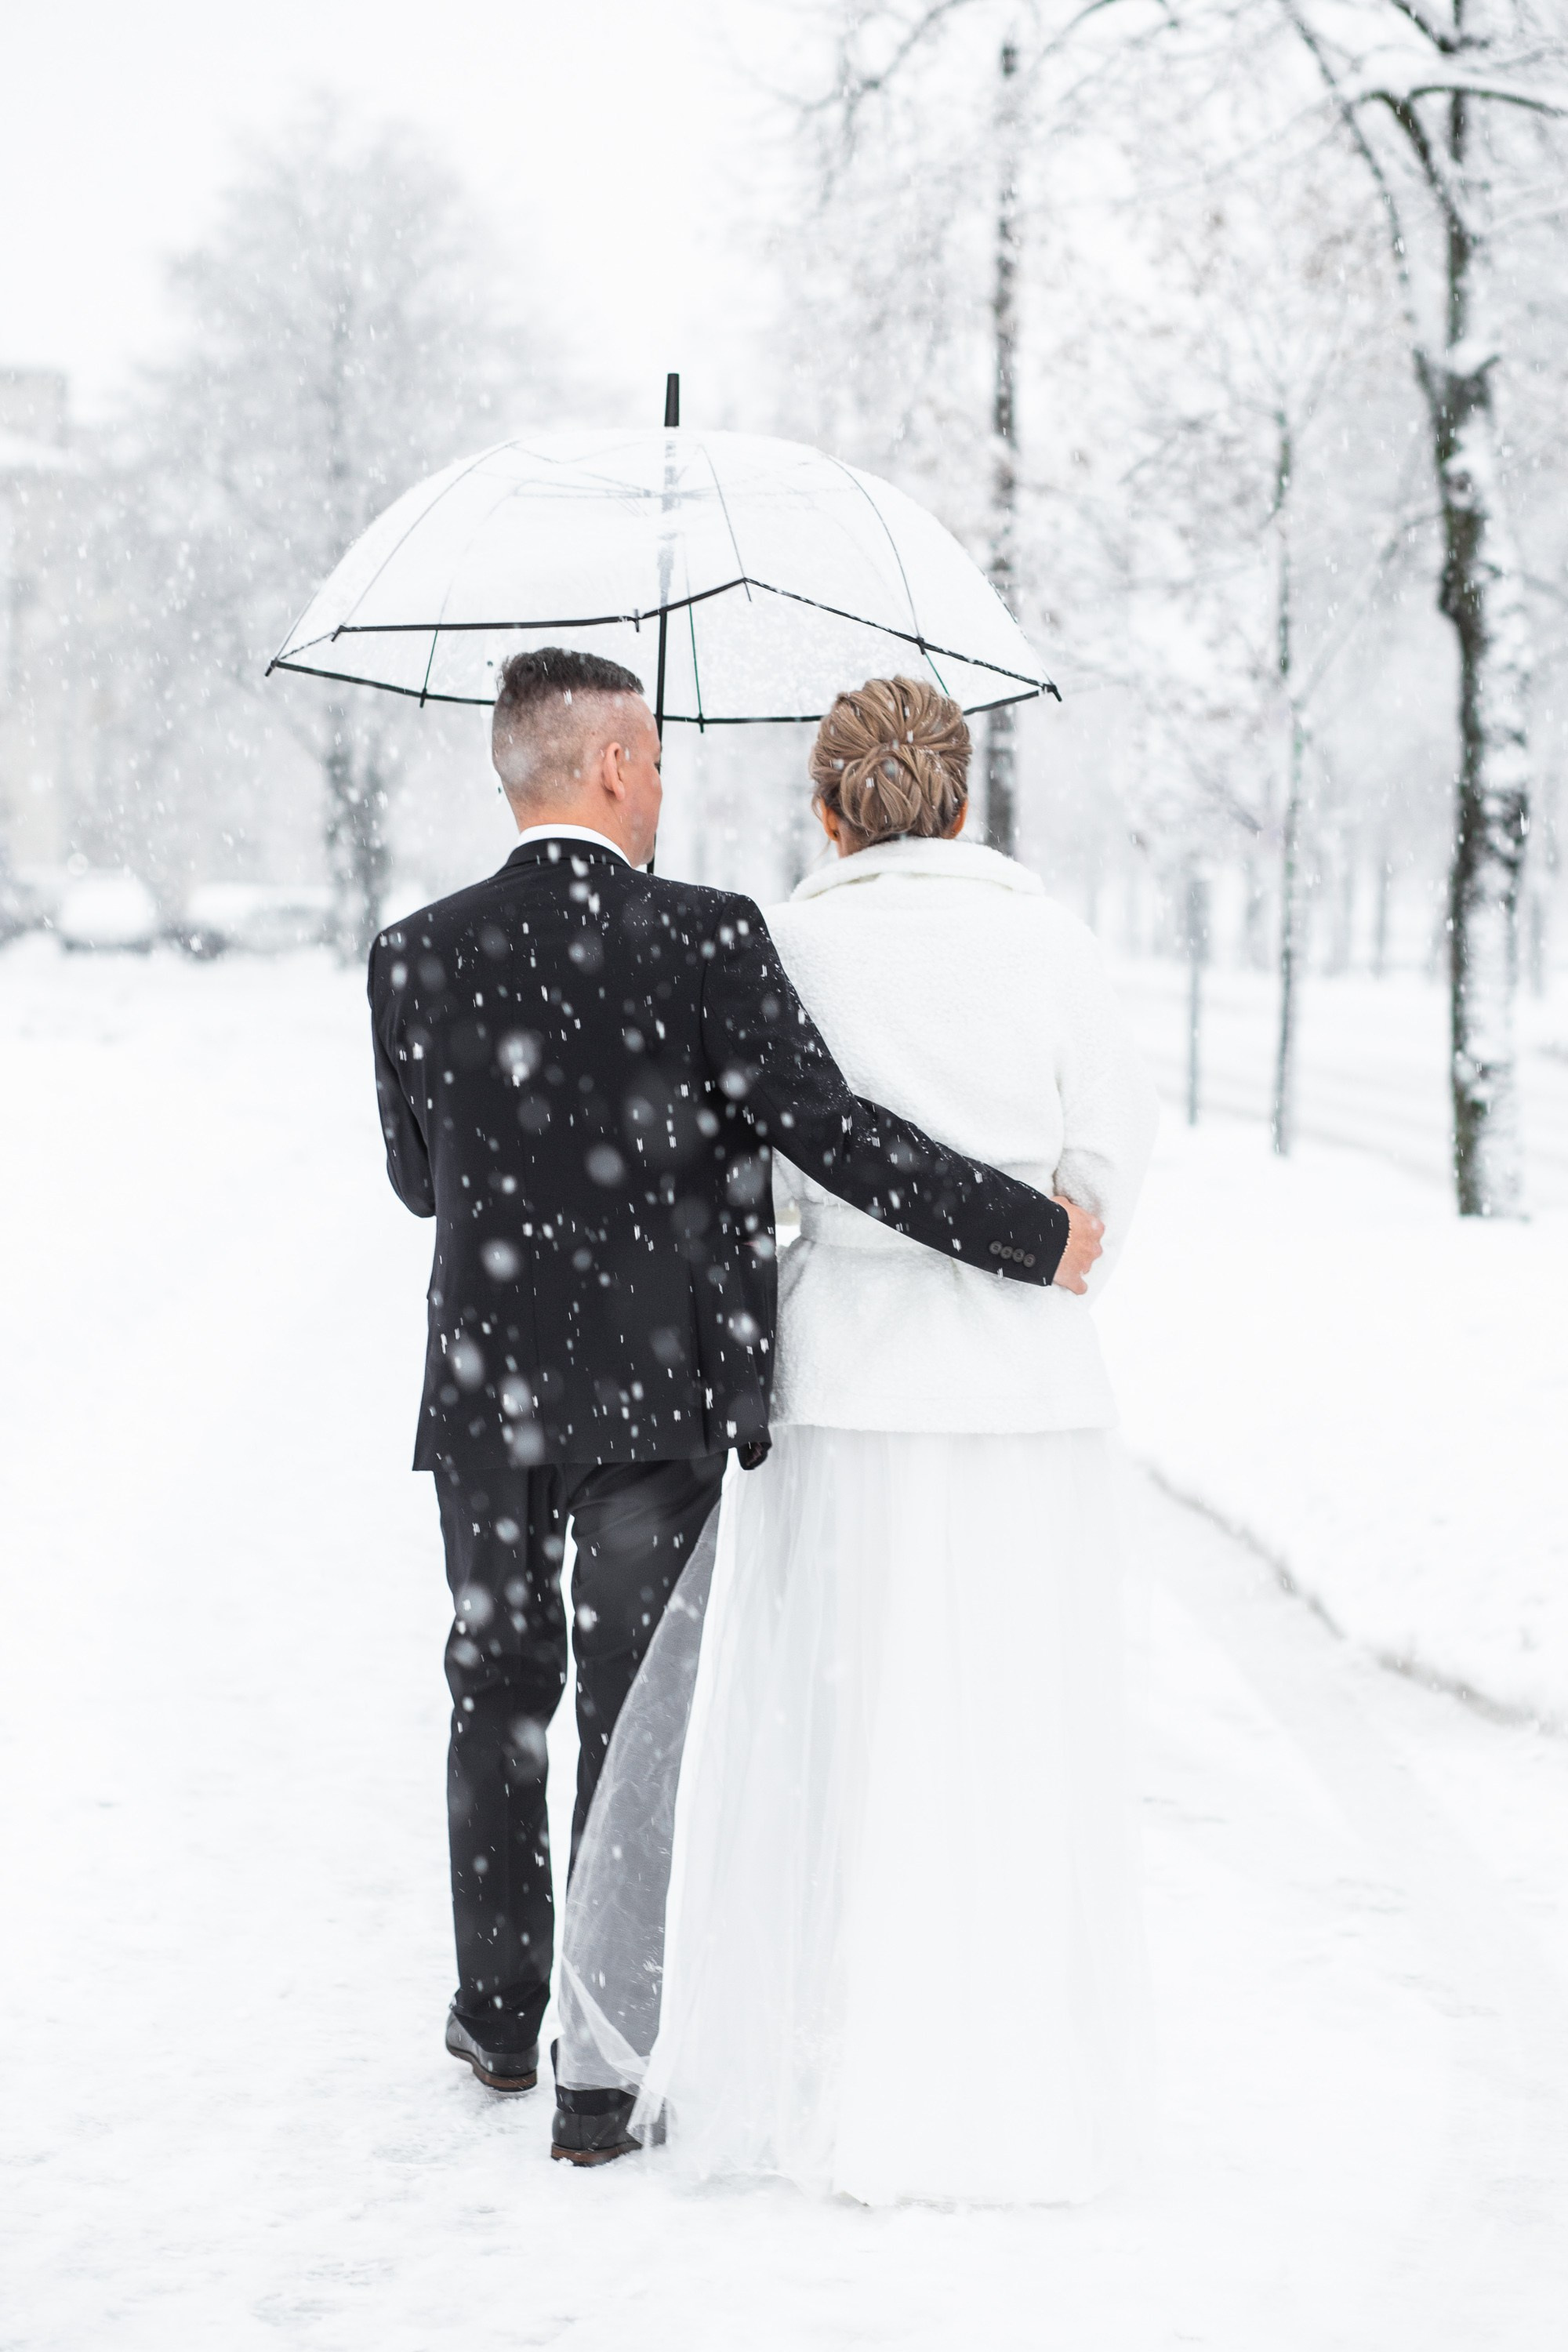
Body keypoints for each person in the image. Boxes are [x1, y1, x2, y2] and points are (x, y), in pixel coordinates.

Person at [366, 649, 1102, 2161]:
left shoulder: (414, 953)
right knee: (633, 1719)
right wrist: (1032, 1236)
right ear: (615, 766)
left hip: (486, 1398)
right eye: (656, 760)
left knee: (495, 1693)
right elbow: (833, 1135)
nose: (663, 784)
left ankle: (496, 2014)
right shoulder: (705, 937)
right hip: (656, 1405)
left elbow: (418, 1180)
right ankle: (599, 2065)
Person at [563, 675, 1158, 2203]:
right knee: (1004, 1734)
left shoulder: (785, 946)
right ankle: (1000, 2081)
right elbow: (1104, 1185)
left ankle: (835, 2071)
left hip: (843, 1387)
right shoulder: (1055, 947)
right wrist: (1044, 1239)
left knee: (839, 1743)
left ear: (825, 809)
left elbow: (751, 1175)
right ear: (960, 799)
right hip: (1025, 1394)